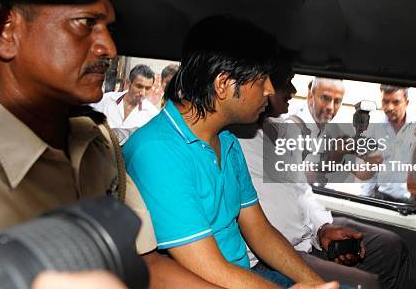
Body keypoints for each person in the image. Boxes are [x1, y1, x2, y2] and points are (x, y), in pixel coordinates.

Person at [0, 0, 217, 288]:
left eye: (108, 29)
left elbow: (148, 266)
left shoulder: (98, 144)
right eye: (85, 23)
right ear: (7, 32)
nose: (109, 48)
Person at [123, 15, 336, 289]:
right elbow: (209, 267)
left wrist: (318, 285)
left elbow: (259, 229)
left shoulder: (227, 140)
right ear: (224, 84)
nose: (270, 90)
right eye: (262, 79)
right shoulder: (157, 153)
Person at [234, 52, 411, 289]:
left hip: (309, 235)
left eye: (337, 101)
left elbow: (301, 191)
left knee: (392, 246)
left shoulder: (281, 131)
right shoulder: (233, 139)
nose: (292, 89)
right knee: (365, 283)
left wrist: (323, 230)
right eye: (286, 82)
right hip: (276, 253)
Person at [361, 85, 416, 202]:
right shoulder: (375, 128)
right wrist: (363, 199)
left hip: (414, 201)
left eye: (396, 102)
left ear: (406, 102)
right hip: (383, 198)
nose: (389, 107)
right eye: (385, 101)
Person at [93, 64, 159, 129]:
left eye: (147, 88)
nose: (142, 93)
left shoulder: (153, 114)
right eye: (139, 86)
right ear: (128, 83)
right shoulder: (105, 99)